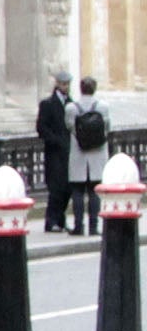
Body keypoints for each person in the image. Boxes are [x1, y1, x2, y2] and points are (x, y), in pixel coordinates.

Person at [70, 75, 112, 235]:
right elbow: (107, 127)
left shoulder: (71, 107)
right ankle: (94, 226)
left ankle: (78, 226)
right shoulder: (103, 106)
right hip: (97, 153)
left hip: (78, 154)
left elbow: (70, 127)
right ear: (94, 89)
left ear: (80, 88)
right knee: (95, 192)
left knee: (78, 192)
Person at [39, 70, 75, 236]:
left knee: (68, 188)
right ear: (57, 84)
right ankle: (51, 221)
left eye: (67, 84)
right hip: (54, 154)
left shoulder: (71, 103)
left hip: (69, 153)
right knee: (56, 188)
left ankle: (60, 220)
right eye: (63, 84)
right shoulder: (48, 104)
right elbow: (41, 128)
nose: (65, 87)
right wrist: (55, 141)